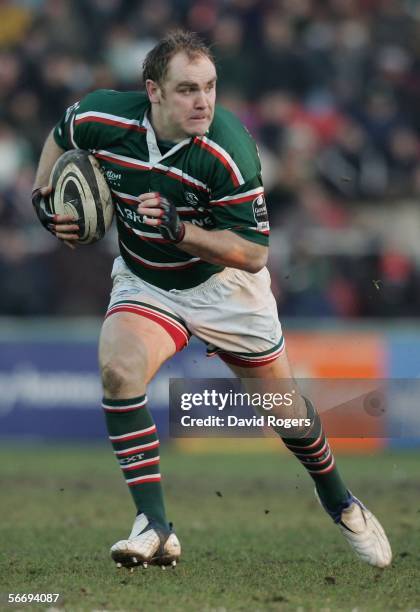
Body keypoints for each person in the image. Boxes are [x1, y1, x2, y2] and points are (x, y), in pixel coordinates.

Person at [32, 30, 391, 570]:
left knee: (285, 413)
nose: (203, 101)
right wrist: (43, 198)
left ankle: (339, 500)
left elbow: (252, 253)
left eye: (210, 87)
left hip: (226, 287)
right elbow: (62, 134)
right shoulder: (103, 117)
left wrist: (182, 231)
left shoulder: (229, 150)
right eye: (186, 90)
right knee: (119, 371)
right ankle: (153, 524)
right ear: (153, 91)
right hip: (147, 280)